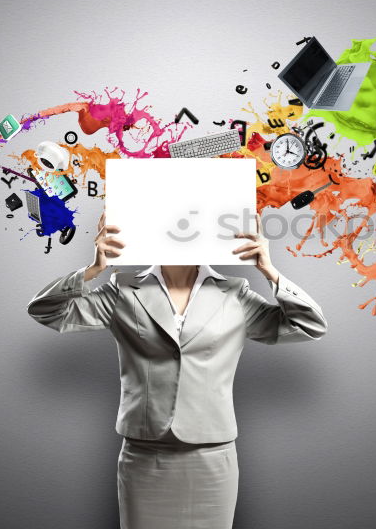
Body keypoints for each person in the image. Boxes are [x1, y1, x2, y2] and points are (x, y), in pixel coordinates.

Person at [27, 212, 327, 529]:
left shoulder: (235, 294)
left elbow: (309, 325)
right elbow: (47, 311)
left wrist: (270, 272)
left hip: (212, 457)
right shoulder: (122, 291)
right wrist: (93, 270)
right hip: (144, 455)